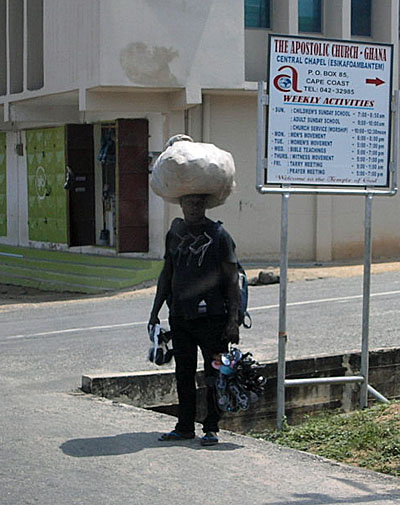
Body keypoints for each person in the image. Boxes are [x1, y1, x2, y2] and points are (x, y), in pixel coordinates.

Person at [148, 193, 239, 446]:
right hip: (180, 316)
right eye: (189, 203)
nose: (194, 208)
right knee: (183, 373)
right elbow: (167, 274)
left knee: (214, 374)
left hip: (213, 318)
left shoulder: (219, 235)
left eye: (199, 203)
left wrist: (233, 320)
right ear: (181, 205)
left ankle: (211, 427)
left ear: (206, 205)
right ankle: (185, 426)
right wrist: (155, 311)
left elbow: (232, 279)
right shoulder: (174, 234)